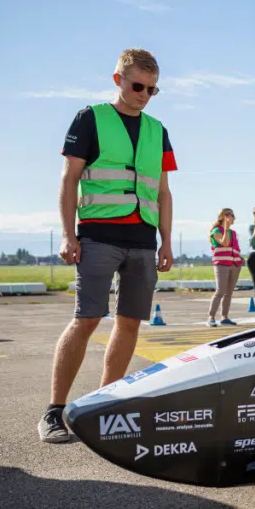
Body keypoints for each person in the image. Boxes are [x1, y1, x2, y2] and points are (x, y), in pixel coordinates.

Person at [40, 48, 176, 443]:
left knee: (131, 322)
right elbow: (70, 180)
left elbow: (164, 191)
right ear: (118, 80)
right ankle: (55, 411)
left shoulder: (157, 130)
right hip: (98, 237)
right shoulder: (90, 119)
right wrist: (69, 233)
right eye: (138, 86)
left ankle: (104, 404)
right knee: (86, 319)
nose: (145, 94)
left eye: (152, 89)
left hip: (143, 241)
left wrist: (167, 240)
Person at [207, 208, 242, 327]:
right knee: (220, 291)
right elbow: (225, 243)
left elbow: (236, 248)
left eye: (232, 215)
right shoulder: (216, 231)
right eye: (228, 214)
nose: (230, 217)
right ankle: (211, 317)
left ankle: (224, 317)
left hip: (235, 265)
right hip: (221, 264)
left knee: (229, 292)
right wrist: (226, 228)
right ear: (221, 216)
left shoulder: (234, 233)